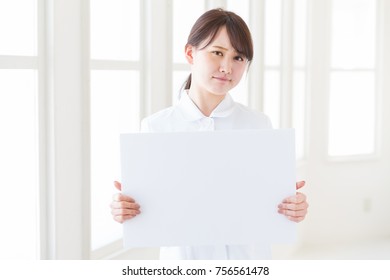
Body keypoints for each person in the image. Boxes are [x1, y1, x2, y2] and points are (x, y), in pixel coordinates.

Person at [110, 8, 308, 260]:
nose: (227, 67)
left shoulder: (258, 124)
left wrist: (293, 208)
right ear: (190, 53)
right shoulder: (156, 127)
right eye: (217, 53)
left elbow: (270, 206)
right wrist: (125, 209)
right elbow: (150, 210)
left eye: (239, 58)